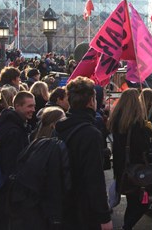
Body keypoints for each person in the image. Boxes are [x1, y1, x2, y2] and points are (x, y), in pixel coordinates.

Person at [54, 77, 112, 230]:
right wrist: (104, 217)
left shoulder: (60, 126)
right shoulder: (90, 133)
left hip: (63, 204)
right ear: (91, 101)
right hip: (84, 210)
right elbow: (95, 179)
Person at [108, 88, 152, 230]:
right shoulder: (137, 125)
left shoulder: (116, 120)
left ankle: (127, 226)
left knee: (132, 201)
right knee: (141, 204)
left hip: (121, 168)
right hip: (136, 170)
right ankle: (126, 227)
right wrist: (148, 131)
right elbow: (143, 147)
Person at [0, 91, 35, 229]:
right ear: (17, 106)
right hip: (8, 192)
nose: (33, 110)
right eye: (29, 106)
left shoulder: (9, 123)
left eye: (33, 106)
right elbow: (11, 165)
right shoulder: (14, 132)